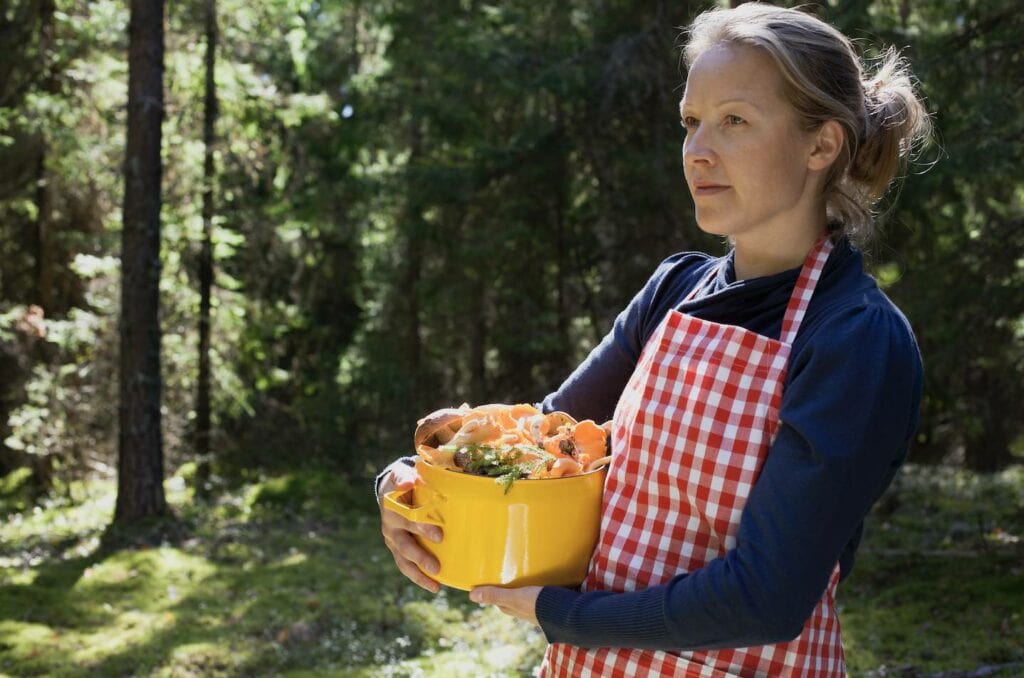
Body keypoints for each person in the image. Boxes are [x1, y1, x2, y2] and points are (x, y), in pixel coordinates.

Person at [377, 3, 931, 675]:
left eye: (735, 121)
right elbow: (543, 449)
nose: (698, 150)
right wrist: (411, 487)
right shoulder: (675, 290)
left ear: (821, 145)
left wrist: (564, 615)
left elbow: (768, 598)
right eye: (691, 122)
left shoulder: (855, 339)